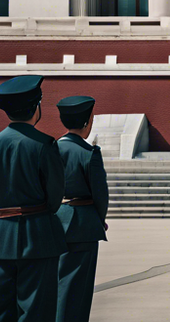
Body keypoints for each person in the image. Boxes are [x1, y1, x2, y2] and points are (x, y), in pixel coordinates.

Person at [0, 75, 67, 322]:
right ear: (36, 106)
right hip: (38, 234)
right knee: (37, 309)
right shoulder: (46, 145)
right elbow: (55, 196)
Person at [53, 96, 109, 322]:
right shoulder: (89, 153)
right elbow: (100, 193)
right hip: (82, 223)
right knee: (77, 289)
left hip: (54, 220)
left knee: (53, 283)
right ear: (87, 122)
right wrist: (100, 218)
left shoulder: (49, 149)